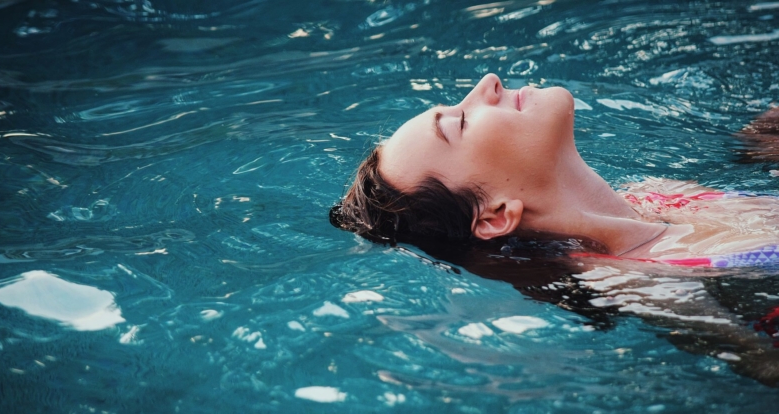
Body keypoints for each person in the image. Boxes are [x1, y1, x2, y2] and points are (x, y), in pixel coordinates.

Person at [330, 73, 779, 268]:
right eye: (461, 122)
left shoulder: (658, 193)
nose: (488, 83)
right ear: (493, 216)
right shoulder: (641, 279)